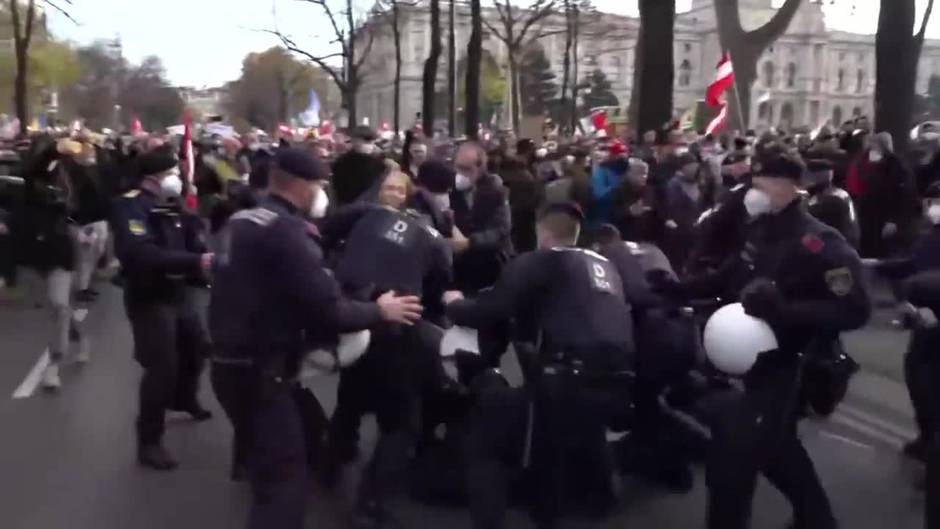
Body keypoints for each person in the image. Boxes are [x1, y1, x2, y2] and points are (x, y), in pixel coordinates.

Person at [651, 150, 870, 529]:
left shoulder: (821, 244)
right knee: (777, 449)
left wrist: (784, 311)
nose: (754, 192)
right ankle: (817, 519)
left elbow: (854, 310)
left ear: (789, 186)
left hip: (781, 365)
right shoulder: (760, 229)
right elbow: (730, 275)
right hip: (742, 359)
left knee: (731, 464)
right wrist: (679, 288)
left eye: (762, 183)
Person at [208, 148, 423, 529]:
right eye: (320, 184)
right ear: (303, 186)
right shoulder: (288, 233)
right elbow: (331, 309)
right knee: (284, 485)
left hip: (231, 361)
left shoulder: (243, 220)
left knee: (307, 438)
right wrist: (380, 310)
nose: (322, 193)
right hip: (262, 371)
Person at [445, 202, 634, 529]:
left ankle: (524, 515)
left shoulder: (542, 259)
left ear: (542, 233)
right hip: (620, 374)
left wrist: (455, 304)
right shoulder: (605, 264)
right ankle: (597, 500)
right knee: (581, 429)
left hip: (567, 374)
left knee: (495, 439)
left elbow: (492, 308)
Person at [318, 171, 453, 527]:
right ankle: (370, 502)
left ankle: (329, 469)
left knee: (351, 398)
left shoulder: (362, 216)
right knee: (402, 422)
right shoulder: (430, 236)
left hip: (355, 316)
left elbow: (324, 234)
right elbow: (440, 285)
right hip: (396, 325)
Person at [109, 146, 215, 470]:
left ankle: (184, 398)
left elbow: (190, 236)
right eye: (171, 173)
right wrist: (195, 261)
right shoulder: (130, 206)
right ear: (152, 177)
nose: (177, 178)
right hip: (149, 294)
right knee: (162, 365)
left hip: (180, 290)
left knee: (195, 349)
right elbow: (140, 253)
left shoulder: (171, 204)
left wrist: (199, 236)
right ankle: (149, 441)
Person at [450, 141, 513, 293]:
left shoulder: (495, 191)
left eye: (466, 169)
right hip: (461, 268)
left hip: (491, 265)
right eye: (458, 167)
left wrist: (469, 242)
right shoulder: (451, 190)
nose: (460, 173)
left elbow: (501, 229)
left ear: (480, 167)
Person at [804, 159, 860, 249]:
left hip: (837, 250)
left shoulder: (831, 200)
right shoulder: (838, 193)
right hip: (843, 247)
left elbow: (820, 237)